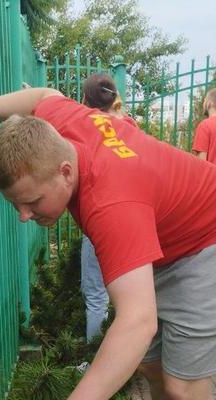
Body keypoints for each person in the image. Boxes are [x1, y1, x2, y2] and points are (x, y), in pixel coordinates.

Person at [0, 76, 216, 400]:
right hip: (167, 235)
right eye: (15, 204)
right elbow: (43, 97)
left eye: (32, 201)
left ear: (65, 171)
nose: (23, 216)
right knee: (152, 370)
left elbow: (137, 321)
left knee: (184, 391)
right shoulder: (63, 125)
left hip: (213, 237)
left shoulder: (110, 204)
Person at [78, 73, 136, 341]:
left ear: (84, 100)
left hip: (101, 220)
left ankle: (95, 360)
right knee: (132, 298)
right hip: (133, 222)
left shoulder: (84, 128)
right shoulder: (131, 127)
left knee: (96, 294)